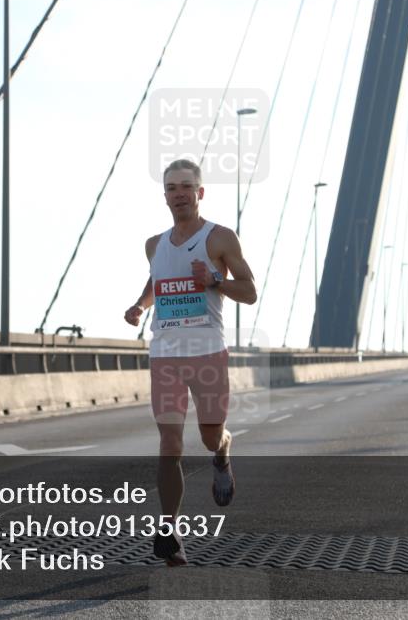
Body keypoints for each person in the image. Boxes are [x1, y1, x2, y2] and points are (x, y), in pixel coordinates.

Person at [124, 158, 257, 566]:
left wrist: (216, 281)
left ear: (200, 193)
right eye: (171, 188)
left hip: (207, 353)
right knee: (170, 444)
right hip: (165, 354)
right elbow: (156, 280)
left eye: (186, 187)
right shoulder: (154, 244)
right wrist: (140, 305)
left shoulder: (220, 238)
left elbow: (250, 291)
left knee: (209, 436)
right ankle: (170, 531)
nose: (179, 194)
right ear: (164, 196)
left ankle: (223, 450)